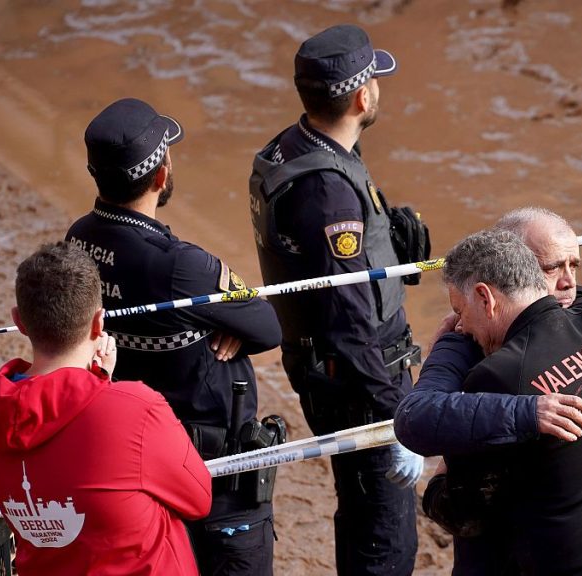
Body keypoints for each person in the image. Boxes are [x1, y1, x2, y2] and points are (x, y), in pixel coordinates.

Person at [395, 209, 582, 575]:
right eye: (554, 267)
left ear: (486, 297)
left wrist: (449, 347)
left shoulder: (500, 377)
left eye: (459, 311)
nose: (568, 283)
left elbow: (462, 510)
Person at [65, 98, 282, 576]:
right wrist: (226, 324)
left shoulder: (77, 239)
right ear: (161, 175)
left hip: (125, 454)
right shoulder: (182, 266)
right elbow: (268, 326)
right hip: (208, 466)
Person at [248, 24, 425, 575]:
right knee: (386, 536)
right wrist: (399, 421)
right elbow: (349, 323)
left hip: (329, 370)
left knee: (363, 513)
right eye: (375, 79)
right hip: (361, 382)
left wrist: (388, 240)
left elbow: (321, 263)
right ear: (360, 95)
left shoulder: (296, 147)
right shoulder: (326, 191)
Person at [0, 242, 212, 575]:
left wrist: (98, 385)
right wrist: (105, 388)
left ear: (20, 322)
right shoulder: (137, 409)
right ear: (99, 323)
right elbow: (199, 499)